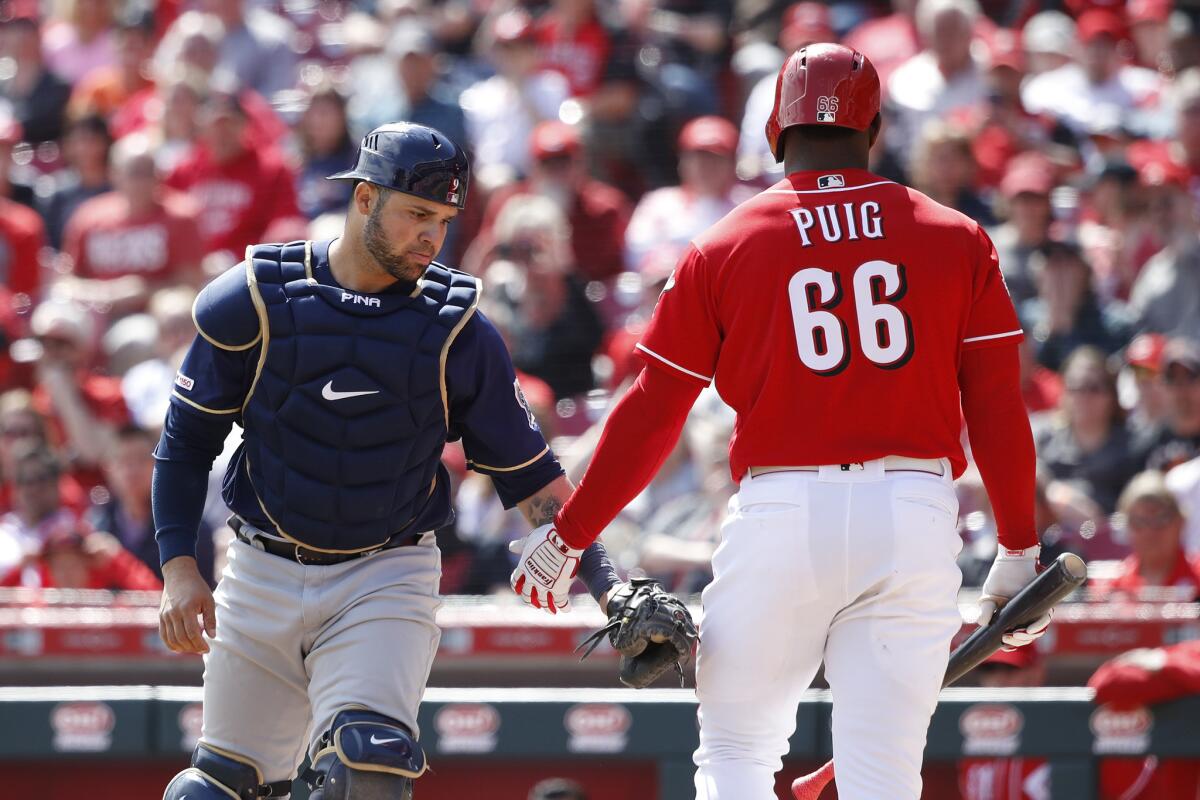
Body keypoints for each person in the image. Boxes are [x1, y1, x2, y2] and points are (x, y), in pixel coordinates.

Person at [509, 44, 1050, 799]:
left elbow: (652, 411)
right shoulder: (955, 234)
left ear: (774, 131)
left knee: (735, 748)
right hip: (914, 512)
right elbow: (996, 406)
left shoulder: (724, 242)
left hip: (784, 510)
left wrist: (570, 535)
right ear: (877, 129)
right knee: (883, 774)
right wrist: (1019, 546)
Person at [156, 122, 628, 800]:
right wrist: (178, 568)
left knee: (367, 773)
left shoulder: (456, 329)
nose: (431, 237)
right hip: (259, 566)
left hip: (384, 573)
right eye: (416, 214)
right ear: (366, 198)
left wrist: (612, 586)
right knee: (210, 793)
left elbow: (534, 480)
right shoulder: (256, 295)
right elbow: (184, 443)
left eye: (442, 220)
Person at [1092, 470, 1200, 601]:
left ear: (1180, 522)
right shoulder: (1110, 588)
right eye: (1139, 522)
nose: (1149, 531)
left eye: (1161, 520)